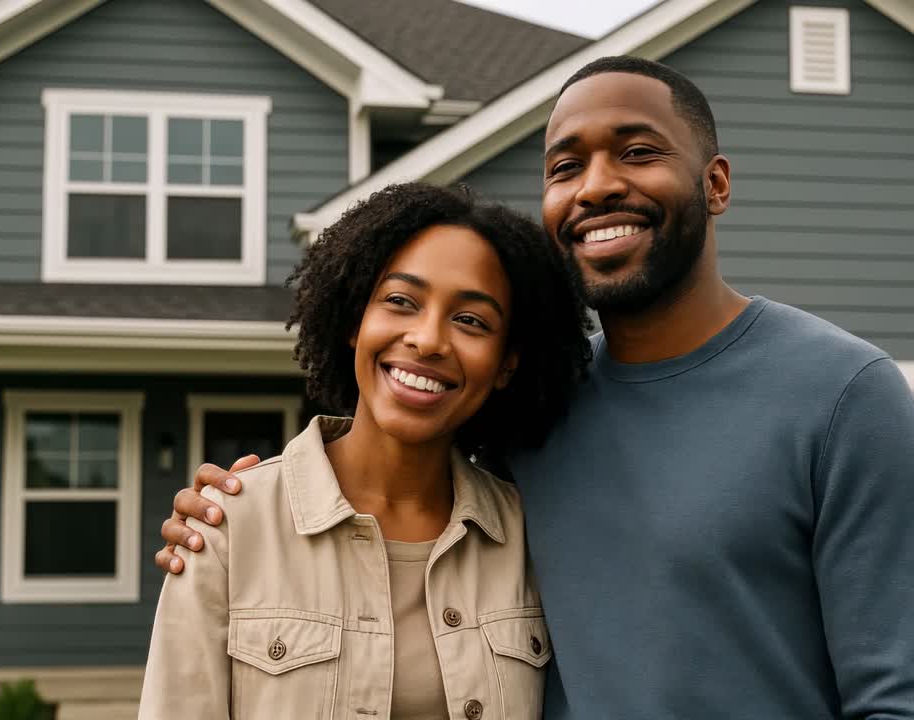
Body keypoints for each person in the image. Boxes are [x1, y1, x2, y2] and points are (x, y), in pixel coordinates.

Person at [158, 57, 914, 718]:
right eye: (565, 165)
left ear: (716, 185)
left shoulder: (843, 395)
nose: (596, 186)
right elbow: (399, 439)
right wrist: (234, 508)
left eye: (638, 151)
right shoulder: (531, 411)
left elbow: (908, 701)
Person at [139, 182, 590, 719]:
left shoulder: (527, 538)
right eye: (400, 301)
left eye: (470, 320)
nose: (427, 340)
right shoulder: (226, 528)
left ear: (507, 365)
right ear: (356, 320)